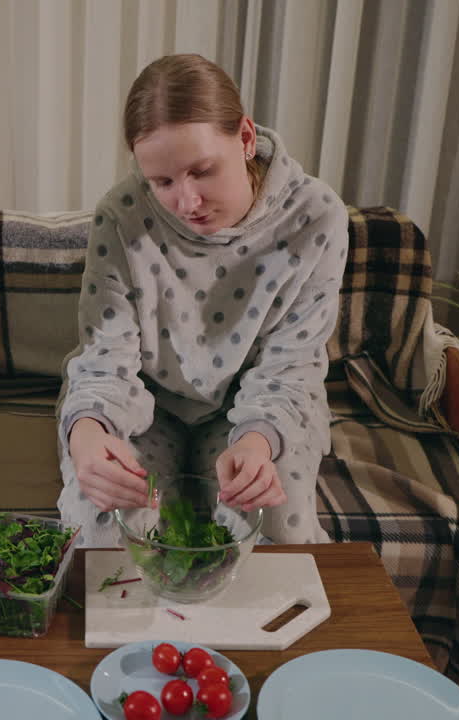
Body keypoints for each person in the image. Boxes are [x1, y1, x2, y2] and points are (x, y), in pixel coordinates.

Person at [58, 54, 348, 546]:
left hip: (258, 407)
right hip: (143, 407)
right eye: (163, 182)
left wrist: (257, 443)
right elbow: (105, 359)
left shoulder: (316, 216)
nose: (187, 203)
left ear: (246, 138)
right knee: (104, 526)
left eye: (203, 171)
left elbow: (291, 365)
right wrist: (86, 437)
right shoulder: (122, 215)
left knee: (273, 524)